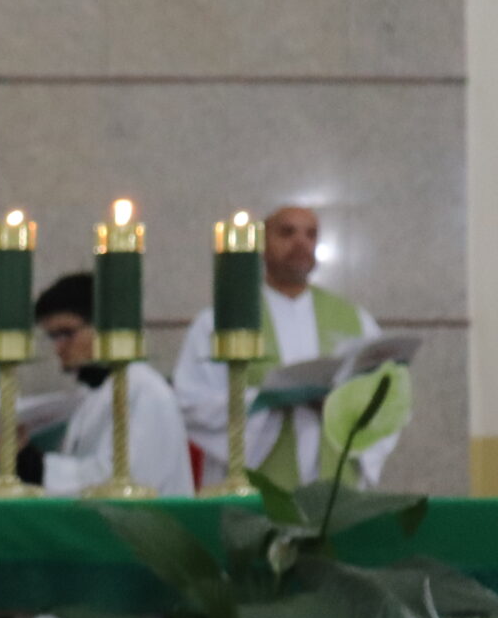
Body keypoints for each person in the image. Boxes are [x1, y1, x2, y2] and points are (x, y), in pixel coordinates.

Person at [173, 206, 394, 488]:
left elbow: (388, 403)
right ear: (263, 245)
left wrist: (342, 404)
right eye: (287, 232)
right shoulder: (221, 320)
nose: (301, 242)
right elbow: (190, 402)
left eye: (311, 235)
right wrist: (266, 400)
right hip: (254, 480)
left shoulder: (355, 320)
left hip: (334, 483)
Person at [28, 273, 196, 500]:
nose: (58, 348)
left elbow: (124, 481)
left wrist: (31, 465)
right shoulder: (91, 394)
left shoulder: (146, 391)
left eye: (66, 333)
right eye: (52, 337)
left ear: (104, 327)